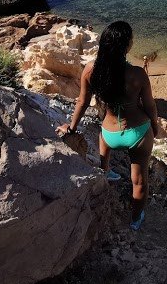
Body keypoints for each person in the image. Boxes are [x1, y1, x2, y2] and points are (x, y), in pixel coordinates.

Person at [57, 21, 160, 231]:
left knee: (103, 136)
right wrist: (155, 127)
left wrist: (72, 127)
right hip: (138, 133)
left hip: (111, 134)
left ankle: (105, 169)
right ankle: (136, 218)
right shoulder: (138, 74)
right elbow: (150, 105)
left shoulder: (91, 70)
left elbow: (82, 101)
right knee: (139, 181)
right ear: (127, 46)